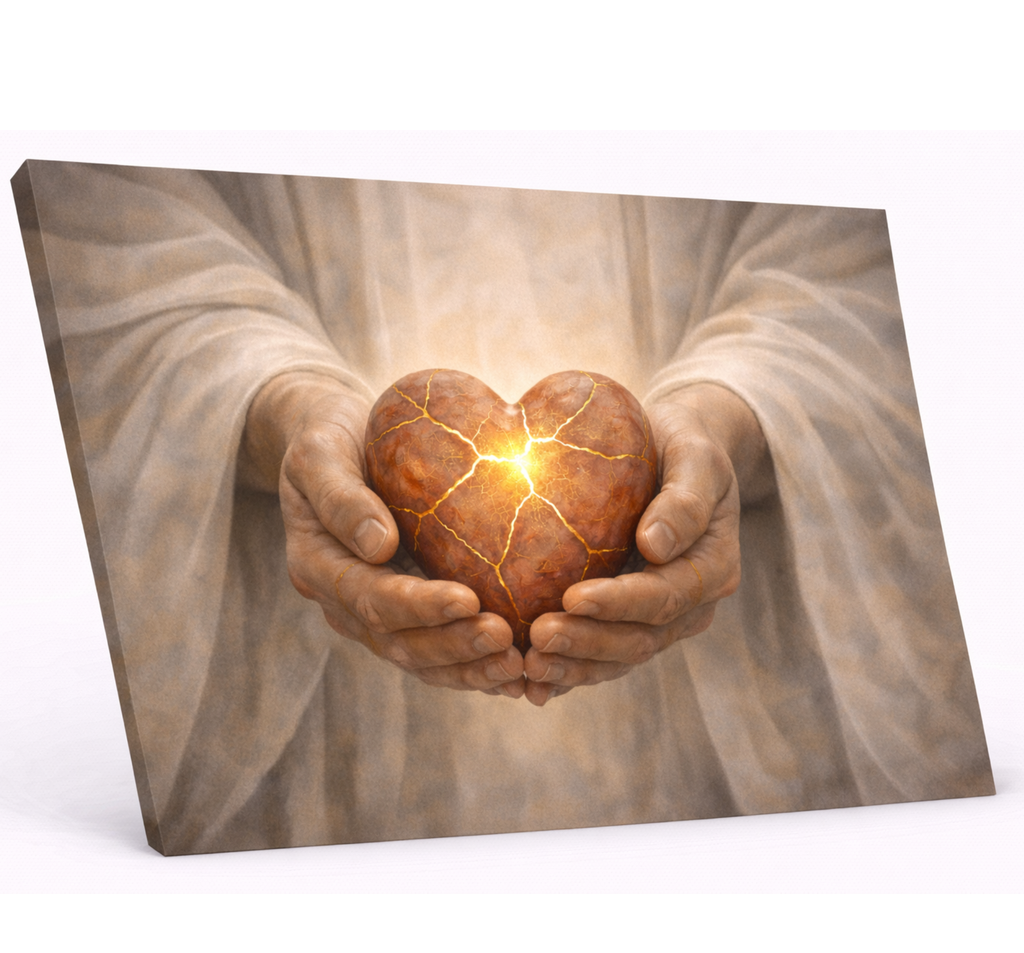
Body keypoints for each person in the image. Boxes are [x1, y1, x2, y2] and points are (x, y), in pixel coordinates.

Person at [16, 161, 994, 855]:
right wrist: (288, 412)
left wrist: (722, 419)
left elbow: (843, 268)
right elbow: (118, 244)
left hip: (718, 734)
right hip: (334, 739)